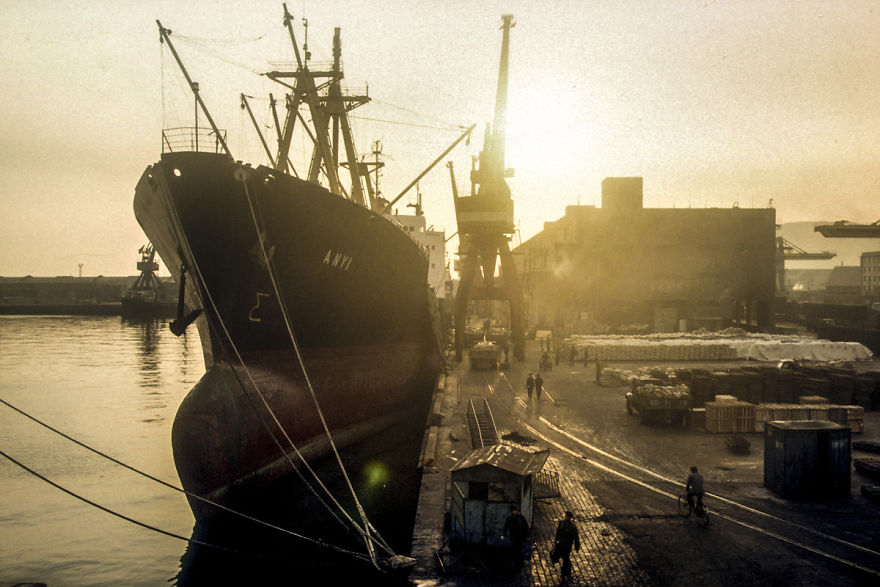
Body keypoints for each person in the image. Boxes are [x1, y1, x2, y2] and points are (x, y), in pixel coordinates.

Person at [553, 511, 580, 580]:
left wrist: (577, 547)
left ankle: (565, 573)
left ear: (570, 518)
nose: (566, 517)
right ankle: (566, 573)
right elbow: (558, 533)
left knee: (566, 559)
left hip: (567, 546)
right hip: (560, 544)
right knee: (558, 557)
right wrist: (555, 542)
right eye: (566, 516)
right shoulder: (561, 523)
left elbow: (576, 538)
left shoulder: (573, 527)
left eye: (567, 516)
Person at [502, 505, 529, 571]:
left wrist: (527, 535)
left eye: (515, 510)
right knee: (515, 551)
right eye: (513, 511)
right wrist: (503, 535)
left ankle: (520, 564)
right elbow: (506, 527)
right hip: (514, 537)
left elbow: (526, 526)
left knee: (520, 551)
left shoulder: (521, 517)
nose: (514, 512)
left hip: (521, 537)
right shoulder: (510, 519)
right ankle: (517, 564)